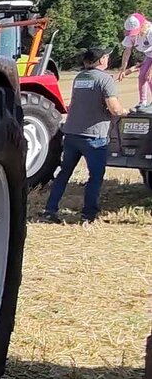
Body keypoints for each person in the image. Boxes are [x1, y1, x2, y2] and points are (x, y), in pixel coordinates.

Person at [42, 46, 131, 224]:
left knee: (64, 173)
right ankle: (88, 215)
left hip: (72, 134)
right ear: (101, 61)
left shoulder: (80, 78)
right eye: (106, 56)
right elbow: (114, 108)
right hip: (94, 137)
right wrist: (125, 111)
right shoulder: (105, 80)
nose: (107, 58)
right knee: (95, 176)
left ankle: (50, 210)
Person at [119, 12, 152, 107]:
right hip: (149, 55)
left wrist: (151, 70)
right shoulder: (131, 36)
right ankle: (143, 102)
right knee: (142, 76)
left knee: (149, 77)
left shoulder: (150, 32)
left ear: (142, 26)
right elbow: (127, 51)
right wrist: (123, 69)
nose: (132, 35)